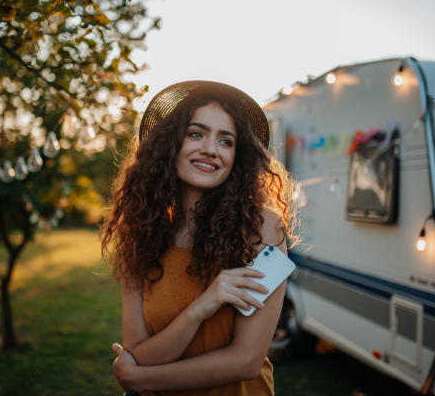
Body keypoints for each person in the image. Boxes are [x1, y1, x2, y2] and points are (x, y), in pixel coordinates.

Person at [100, 81, 299, 396]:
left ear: (238, 155)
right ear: (170, 143)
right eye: (196, 133)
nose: (210, 148)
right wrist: (202, 305)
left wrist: (138, 381)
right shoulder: (140, 235)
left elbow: (245, 360)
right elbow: (138, 353)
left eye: (226, 140)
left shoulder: (262, 228)